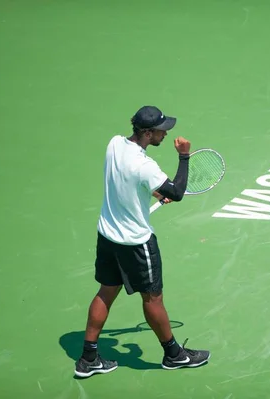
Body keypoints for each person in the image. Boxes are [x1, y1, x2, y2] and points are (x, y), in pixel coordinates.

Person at [74, 105, 211, 378]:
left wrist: (153, 192)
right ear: (148, 133)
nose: (166, 133)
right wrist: (184, 157)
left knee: (106, 291)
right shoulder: (145, 166)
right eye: (162, 130)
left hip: (108, 234)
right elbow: (177, 191)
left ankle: (88, 357)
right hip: (135, 243)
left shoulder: (114, 144)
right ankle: (174, 355)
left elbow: (127, 182)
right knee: (153, 298)